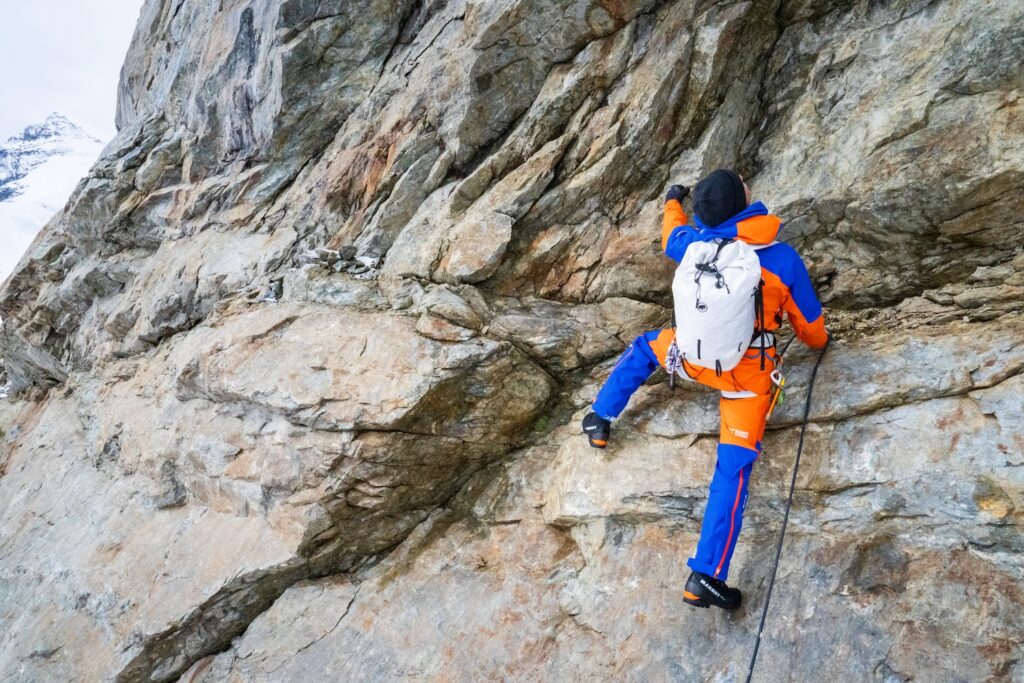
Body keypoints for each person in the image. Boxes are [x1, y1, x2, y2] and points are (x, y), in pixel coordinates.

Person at [581, 169, 828, 610]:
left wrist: (671, 200)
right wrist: (823, 344)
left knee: (644, 348)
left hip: (692, 359)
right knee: (731, 470)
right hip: (746, 380)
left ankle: (599, 417)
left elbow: (669, 234)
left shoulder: (693, 244)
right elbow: (811, 330)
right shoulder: (781, 257)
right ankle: (706, 576)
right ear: (744, 201)